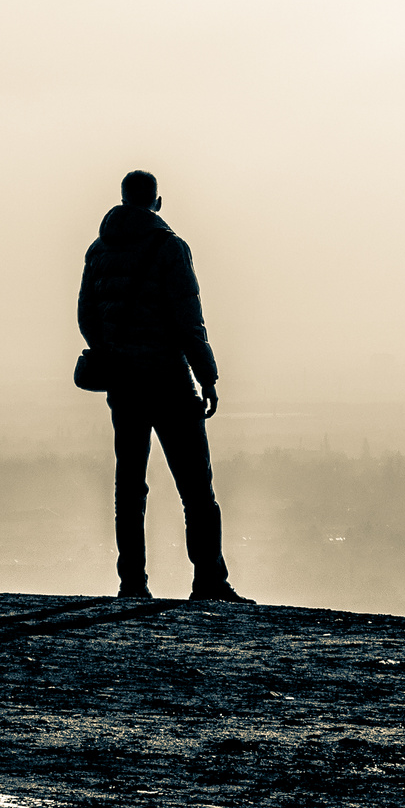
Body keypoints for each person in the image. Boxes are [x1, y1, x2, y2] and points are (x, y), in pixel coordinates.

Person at [78, 169, 253, 603]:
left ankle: (132, 585)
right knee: (196, 488)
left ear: (122, 199)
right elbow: (188, 320)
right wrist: (207, 376)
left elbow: (86, 317)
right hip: (170, 382)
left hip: (124, 385)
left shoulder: (98, 251)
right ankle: (209, 581)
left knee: (130, 487)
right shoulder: (170, 248)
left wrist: (114, 349)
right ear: (157, 202)